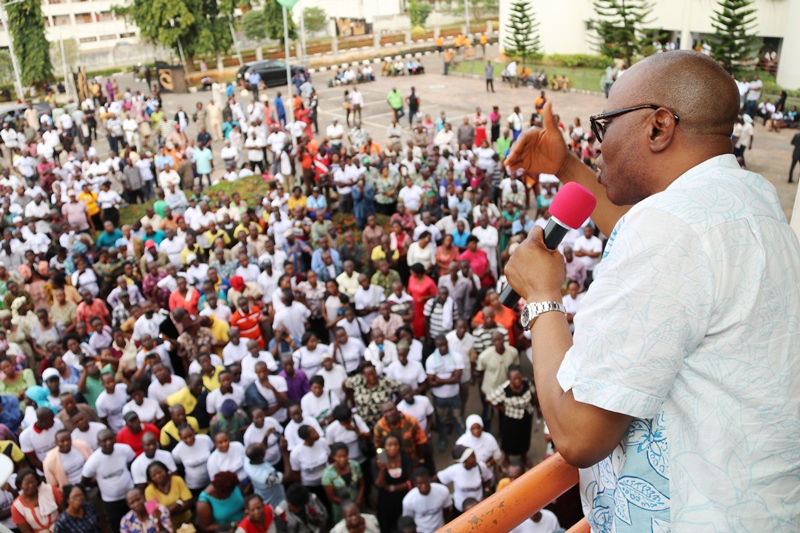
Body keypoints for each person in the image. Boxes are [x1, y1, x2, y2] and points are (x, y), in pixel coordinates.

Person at [504, 50, 800, 530]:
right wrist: (568, 167)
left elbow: (578, 435)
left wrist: (541, 297)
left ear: (659, 127)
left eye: (604, 126)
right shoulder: (748, 197)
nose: (597, 144)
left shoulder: (669, 230)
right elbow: (664, 249)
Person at [81, 429, 136, 530]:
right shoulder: (94, 460)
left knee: (136, 522)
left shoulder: (124, 449)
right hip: (111, 502)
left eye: (110, 439)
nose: (108, 442)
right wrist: (99, 484)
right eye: (104, 440)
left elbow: (133, 463)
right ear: (98, 443)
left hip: (131, 496)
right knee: (117, 527)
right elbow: (85, 480)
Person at [433, 445, 492, 514]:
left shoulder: (481, 467)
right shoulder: (454, 470)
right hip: (460, 508)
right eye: (472, 457)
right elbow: (436, 479)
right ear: (465, 460)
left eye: (475, 456)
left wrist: (486, 494)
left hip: (479, 505)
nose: (476, 459)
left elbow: (488, 479)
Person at [371, 434, 412, 532]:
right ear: (384, 447)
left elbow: (411, 480)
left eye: (396, 444)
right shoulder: (377, 461)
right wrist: (382, 469)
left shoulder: (405, 458)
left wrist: (391, 488)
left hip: (403, 498)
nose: (393, 448)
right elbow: (379, 485)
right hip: (386, 501)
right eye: (389, 445)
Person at [321, 443, 364, 524]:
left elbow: (362, 484)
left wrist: (359, 499)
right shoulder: (328, 474)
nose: (342, 459)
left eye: (345, 456)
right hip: (340, 507)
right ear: (333, 457)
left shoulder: (355, 465)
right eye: (339, 457)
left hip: (357, 502)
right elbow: (331, 497)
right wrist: (349, 505)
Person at [401, 468, 453, 533]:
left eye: (426, 482)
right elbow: (408, 521)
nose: (424, 485)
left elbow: (447, 513)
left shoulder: (442, 491)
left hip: (441, 529)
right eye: (420, 483)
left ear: (430, 480)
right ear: (415, 484)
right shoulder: (408, 500)